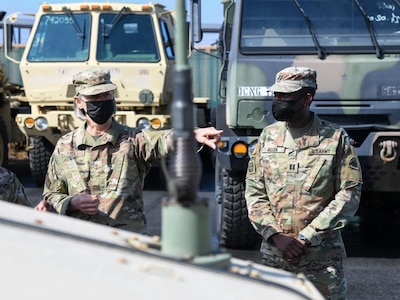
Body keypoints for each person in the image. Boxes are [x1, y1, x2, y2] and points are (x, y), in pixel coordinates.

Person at [40, 68, 222, 234]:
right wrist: (71, 203)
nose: (102, 101)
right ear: (79, 102)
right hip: (82, 239)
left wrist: (191, 134)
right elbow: (50, 196)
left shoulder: (133, 140)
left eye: (107, 95)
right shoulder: (65, 145)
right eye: (95, 98)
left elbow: (161, 140)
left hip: (128, 240)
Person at [245, 66, 362, 299]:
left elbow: (348, 194)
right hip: (274, 258)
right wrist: (275, 235)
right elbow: (255, 192)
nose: (278, 101)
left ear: (307, 98)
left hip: (321, 260)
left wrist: (307, 236)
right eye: (276, 95)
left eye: (285, 96)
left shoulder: (335, 138)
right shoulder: (268, 137)